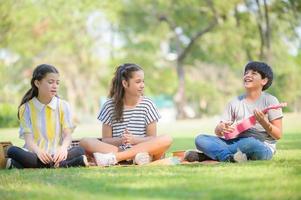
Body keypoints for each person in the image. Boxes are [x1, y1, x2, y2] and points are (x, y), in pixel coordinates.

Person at [188, 61, 283, 162]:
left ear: (264, 81)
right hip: (235, 143)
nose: (248, 75)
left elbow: (278, 135)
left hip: (261, 146)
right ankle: (229, 158)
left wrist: (264, 122)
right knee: (200, 139)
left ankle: (210, 156)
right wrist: (220, 128)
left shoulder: (270, 101)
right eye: (246, 73)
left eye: (253, 73)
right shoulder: (234, 102)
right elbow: (218, 133)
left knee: (251, 143)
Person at [80, 63, 173, 166]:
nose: (142, 85)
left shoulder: (148, 104)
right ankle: (132, 158)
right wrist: (122, 140)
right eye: (138, 82)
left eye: (143, 81)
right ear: (125, 83)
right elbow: (106, 140)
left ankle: (116, 158)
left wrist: (134, 140)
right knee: (84, 141)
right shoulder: (109, 106)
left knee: (167, 138)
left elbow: (152, 138)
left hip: (143, 149)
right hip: (119, 149)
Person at [6, 64, 88, 169]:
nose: (55, 86)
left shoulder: (63, 105)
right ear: (37, 83)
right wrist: (39, 151)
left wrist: (63, 149)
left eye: (57, 83)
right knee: (11, 150)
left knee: (80, 149)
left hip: (58, 153)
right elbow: (28, 140)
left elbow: (67, 135)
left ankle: (18, 165)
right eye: (50, 82)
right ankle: (67, 164)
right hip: (35, 153)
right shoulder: (25, 108)